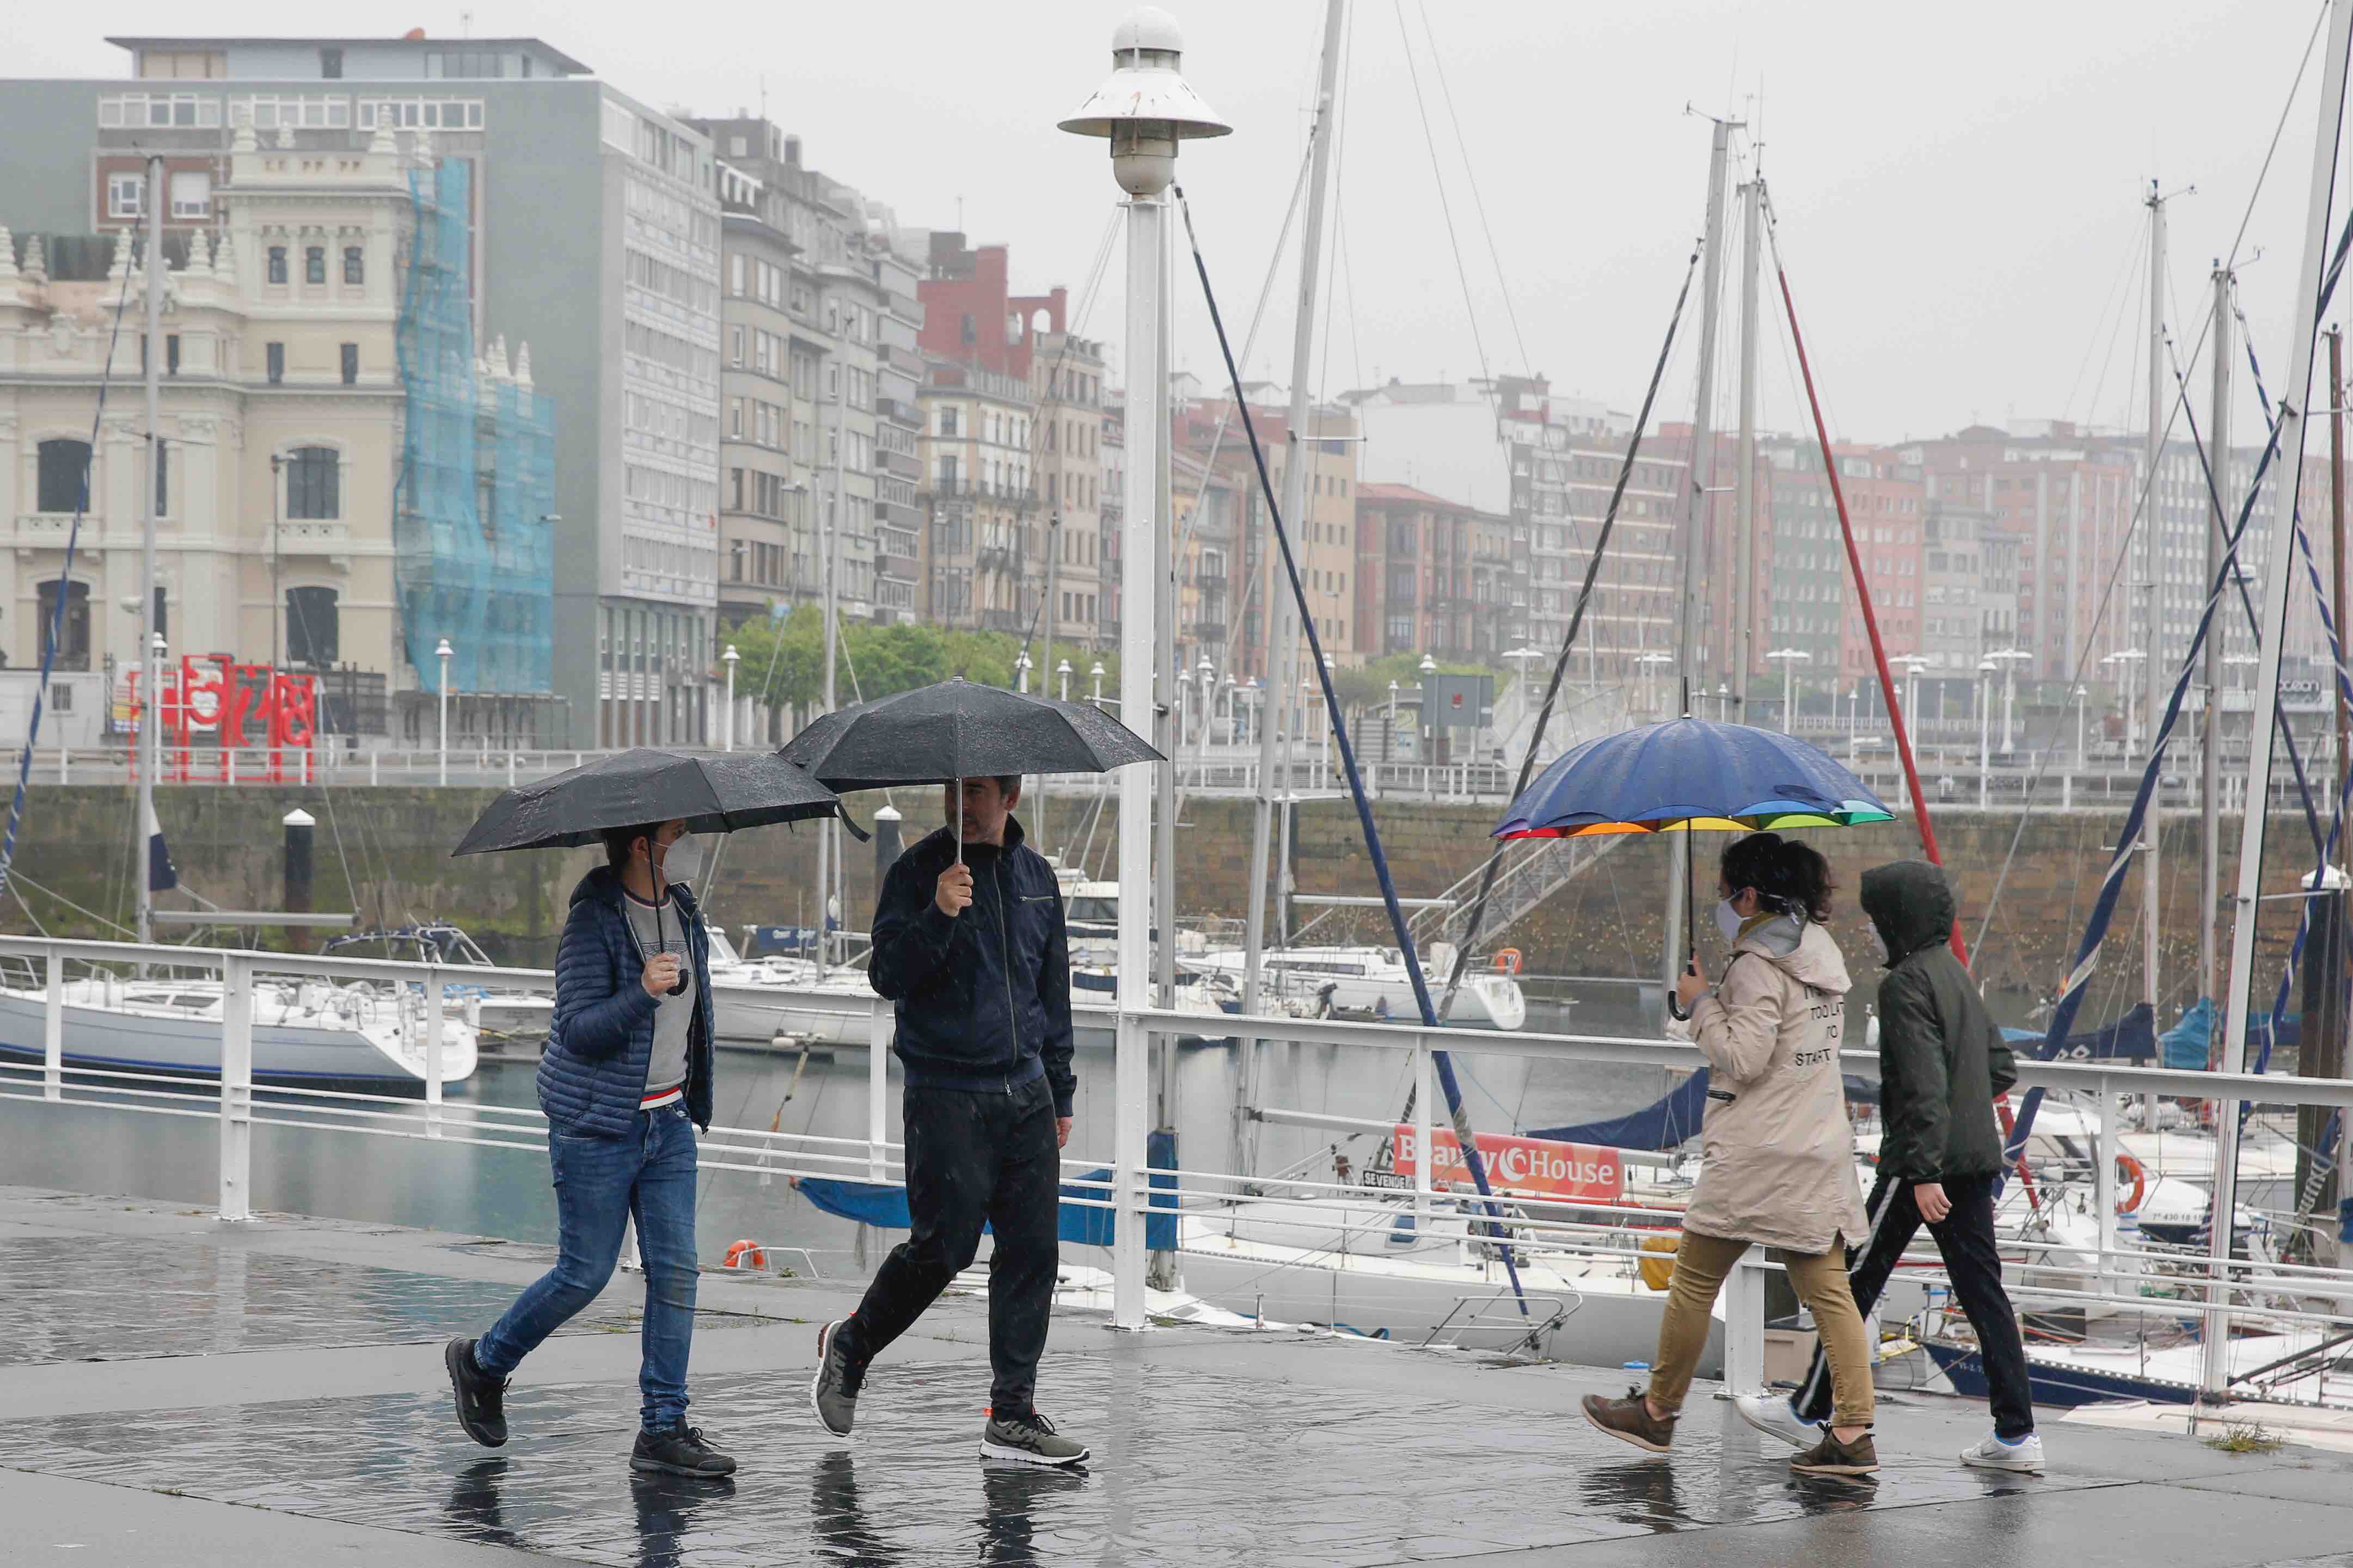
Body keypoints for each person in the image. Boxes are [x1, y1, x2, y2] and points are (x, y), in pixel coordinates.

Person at [1582, 832, 1881, 1477]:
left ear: (1749, 894)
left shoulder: (1753, 967)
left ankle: (1657, 1415)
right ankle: (1853, 1432)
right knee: (1830, 1292)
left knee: (1692, 1279)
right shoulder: (1820, 953)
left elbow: (1743, 1059)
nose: (1722, 901)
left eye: (1725, 891)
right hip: (1815, 1144)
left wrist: (1696, 1005)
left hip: (1755, 1153)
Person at [809, 774, 1086, 1468]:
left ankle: (1013, 1414)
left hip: (1025, 1094)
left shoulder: (1035, 877)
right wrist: (938, 911)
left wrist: (1061, 1092)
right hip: (944, 1090)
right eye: (956, 790)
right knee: (943, 1249)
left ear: (1012, 798)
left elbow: (1053, 990)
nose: (965, 804)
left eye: (981, 792)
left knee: (1032, 1253)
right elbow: (888, 975)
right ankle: (851, 1344)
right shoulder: (915, 870)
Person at [445, 819, 734, 1479]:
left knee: (677, 1271)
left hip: (668, 1122)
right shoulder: (593, 921)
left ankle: (663, 1428)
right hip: (597, 1124)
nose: (691, 844)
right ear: (642, 845)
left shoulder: (685, 910)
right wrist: (641, 990)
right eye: (679, 834)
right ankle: (483, 1363)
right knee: (584, 1273)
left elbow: (694, 1017)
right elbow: (577, 1031)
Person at [1741, 858, 2043, 1472]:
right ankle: (2016, 1435)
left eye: (1875, 919)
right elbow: (1999, 1069)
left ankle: (1805, 1408)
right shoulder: (1954, 974)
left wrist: (1926, 1168)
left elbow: (1923, 1087)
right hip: (1972, 1160)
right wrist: (1956, 1129)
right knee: (1983, 1295)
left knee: (1851, 1278)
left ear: (1896, 921)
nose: (1869, 932)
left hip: (1916, 1165)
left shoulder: (1903, 983)